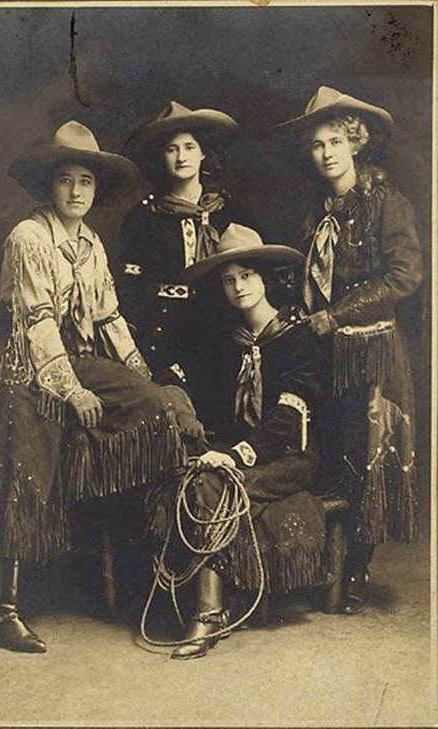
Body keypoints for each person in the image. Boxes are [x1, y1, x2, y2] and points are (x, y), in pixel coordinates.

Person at [0, 121, 192, 653]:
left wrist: (143, 378)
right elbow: (35, 324)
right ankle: (5, 608)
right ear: (48, 186)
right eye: (65, 180)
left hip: (75, 356)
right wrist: (70, 390)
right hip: (20, 365)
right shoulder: (28, 237)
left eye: (86, 181)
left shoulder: (91, 243)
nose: (77, 191)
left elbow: (108, 319)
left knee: (151, 406)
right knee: (29, 461)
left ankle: (136, 573)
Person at [145, 223, 328, 660]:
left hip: (290, 455)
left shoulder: (297, 338)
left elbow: (289, 414)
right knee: (196, 482)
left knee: (219, 484)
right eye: (229, 280)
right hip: (237, 450)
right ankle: (211, 609)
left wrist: (235, 454)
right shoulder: (226, 342)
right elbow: (202, 395)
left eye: (246, 276)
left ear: (266, 279)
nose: (238, 286)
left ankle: (208, 616)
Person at [275, 86, 423, 612]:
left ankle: (354, 569)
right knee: (331, 455)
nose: (327, 153)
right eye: (317, 145)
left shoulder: (387, 201)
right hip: (327, 353)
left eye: (336, 141)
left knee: (366, 458)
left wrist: (335, 315)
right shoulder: (321, 212)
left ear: (355, 141)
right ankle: (324, 568)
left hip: (373, 352)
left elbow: (406, 276)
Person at [118, 102, 256, 412]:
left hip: (225, 325)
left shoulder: (230, 210)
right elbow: (131, 289)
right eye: (171, 149)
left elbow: (260, 272)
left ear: (203, 152)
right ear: (160, 156)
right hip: (166, 328)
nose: (181, 157)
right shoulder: (143, 217)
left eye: (189, 147)